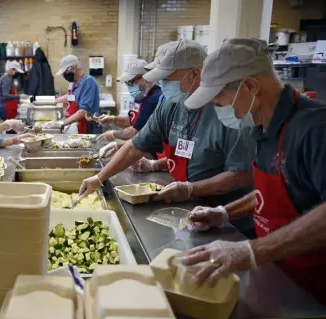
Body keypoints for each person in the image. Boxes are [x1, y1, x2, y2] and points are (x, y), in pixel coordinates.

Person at [176, 38, 326, 304]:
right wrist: (224, 213)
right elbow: (275, 195)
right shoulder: (262, 128)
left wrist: (251, 250)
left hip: (314, 292)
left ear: (250, 86)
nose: (216, 109)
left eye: (218, 101)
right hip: (277, 276)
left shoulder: (315, 129)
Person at [80, 39, 256, 237]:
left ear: (196, 74)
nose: (162, 84)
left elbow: (242, 174)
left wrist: (192, 189)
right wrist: (100, 178)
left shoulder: (229, 112)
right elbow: (135, 146)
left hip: (227, 223)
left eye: (167, 78)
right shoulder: (171, 106)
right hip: (186, 209)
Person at [97, 59, 165, 170]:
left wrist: (114, 134)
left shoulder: (154, 99)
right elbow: (133, 120)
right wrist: (113, 119)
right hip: (144, 150)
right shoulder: (141, 97)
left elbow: (136, 131)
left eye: (131, 82)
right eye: (127, 83)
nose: (129, 86)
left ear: (145, 78)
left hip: (153, 155)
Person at [43, 55, 100, 134]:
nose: (63, 76)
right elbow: (72, 97)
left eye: (65, 72)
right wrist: (55, 101)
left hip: (88, 127)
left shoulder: (88, 82)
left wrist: (61, 123)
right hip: (77, 125)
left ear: (73, 68)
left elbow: (83, 111)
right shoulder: (75, 83)